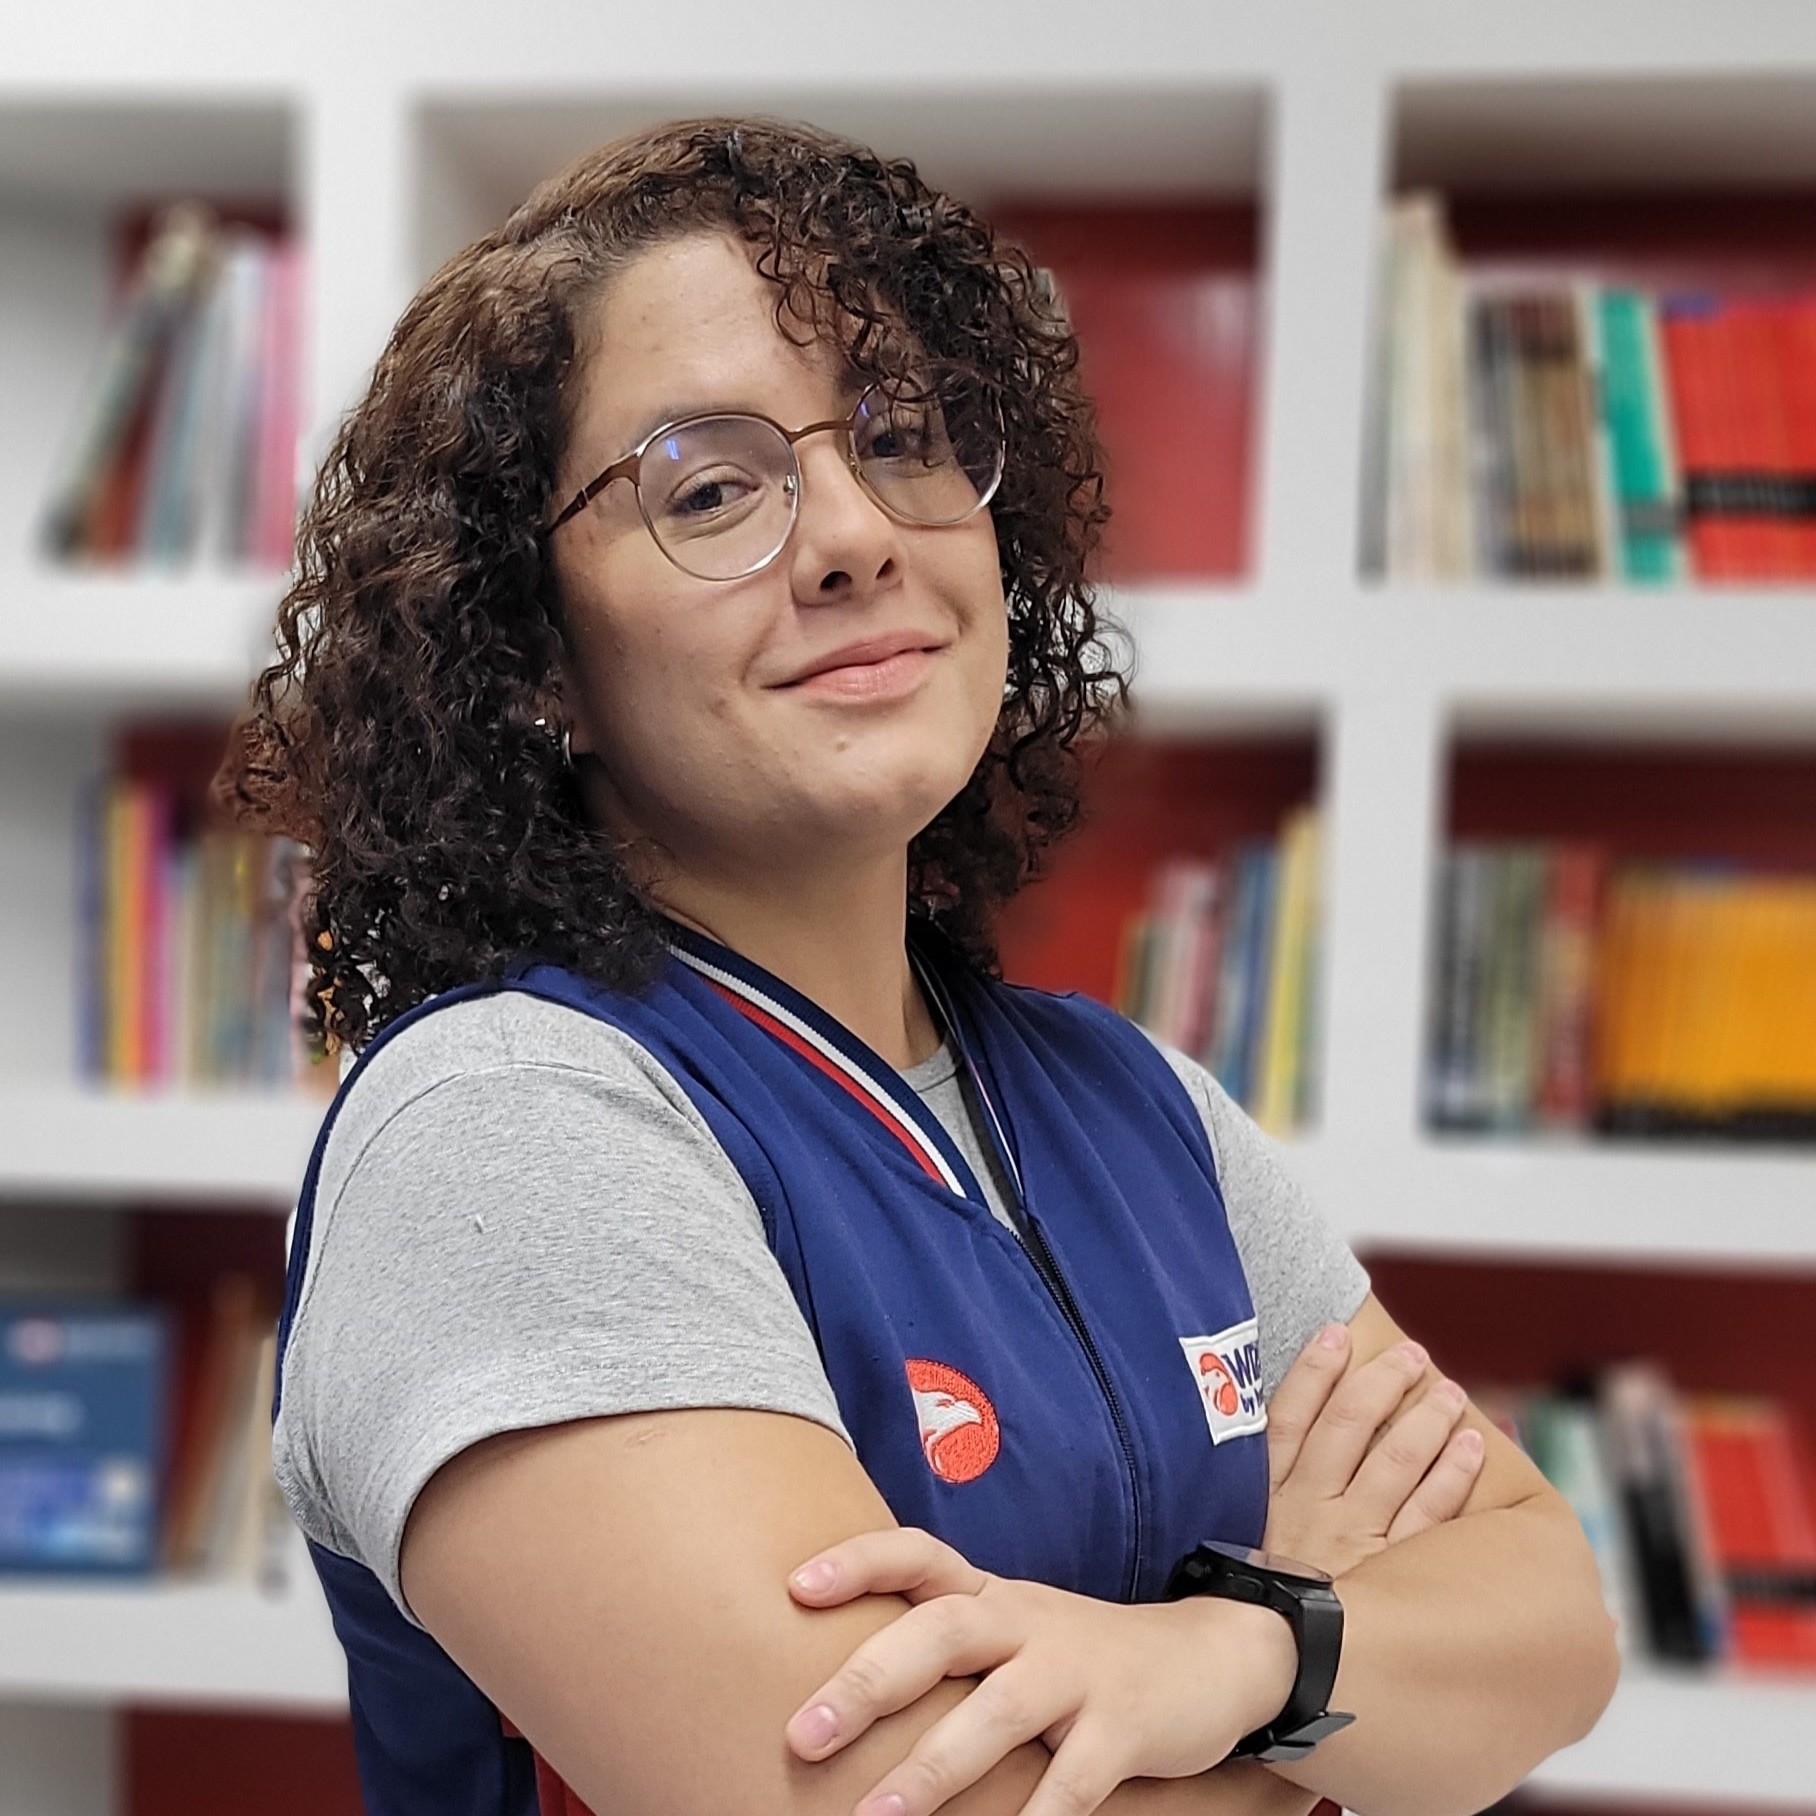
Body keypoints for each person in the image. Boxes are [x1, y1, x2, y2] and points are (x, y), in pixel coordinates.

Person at [222, 117, 1618, 1816]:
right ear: (533, 657)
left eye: (902, 439)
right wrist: (1334, 1697)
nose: (854, 535)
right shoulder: (504, 1130)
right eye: (710, 488)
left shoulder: (1138, 1108)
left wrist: (1239, 1653)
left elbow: (1553, 1629)